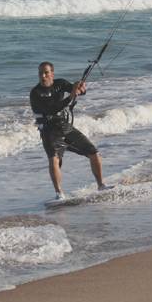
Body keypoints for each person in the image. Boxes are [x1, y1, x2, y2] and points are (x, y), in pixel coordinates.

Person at [29, 62, 109, 199]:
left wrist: (80, 87)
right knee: (54, 160)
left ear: (52, 74)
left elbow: (78, 91)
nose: (43, 76)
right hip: (49, 131)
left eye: (46, 73)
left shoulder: (60, 83)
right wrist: (71, 96)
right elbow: (52, 109)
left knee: (94, 153)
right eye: (40, 73)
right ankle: (59, 193)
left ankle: (101, 185)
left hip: (65, 126)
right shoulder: (35, 93)